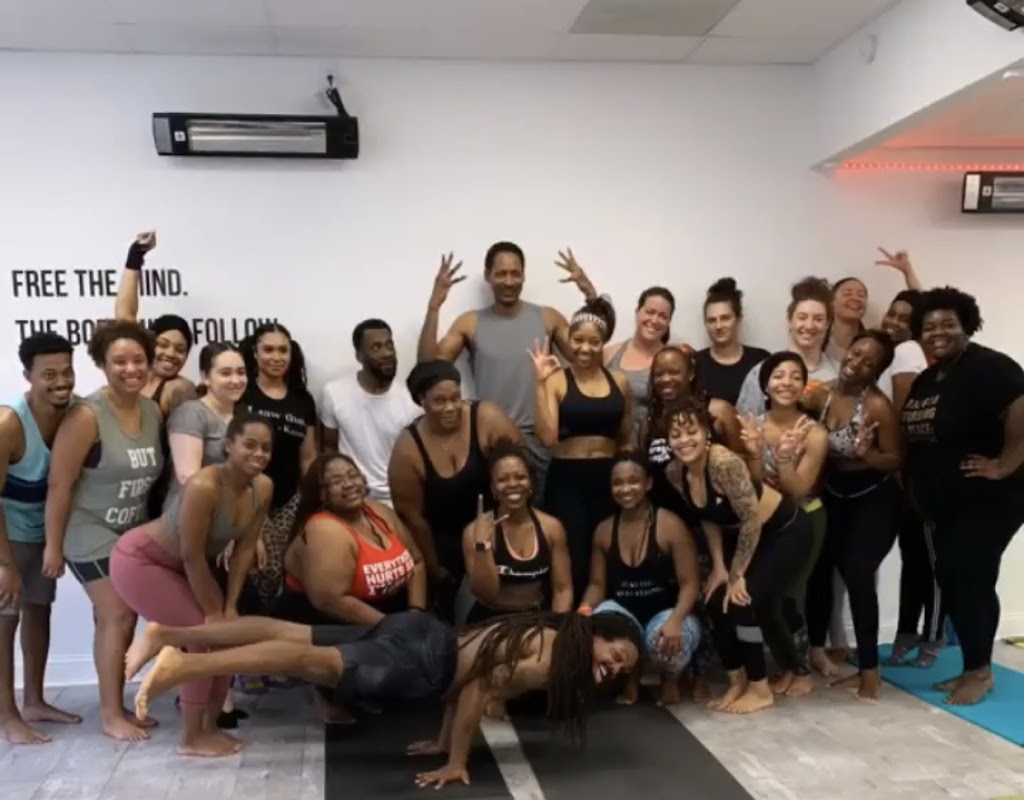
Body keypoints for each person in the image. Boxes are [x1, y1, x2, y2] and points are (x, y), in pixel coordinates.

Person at [125, 608, 642, 789]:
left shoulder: (549, 632)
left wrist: (443, 743)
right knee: (306, 660)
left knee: (294, 634)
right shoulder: (551, 660)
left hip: (422, 632)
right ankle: (185, 665)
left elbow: (467, 681)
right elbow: (475, 692)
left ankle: (168, 632)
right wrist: (457, 760)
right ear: (596, 634)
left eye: (622, 670)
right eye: (616, 655)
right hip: (422, 659)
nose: (614, 669)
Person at [109, 413, 273, 756]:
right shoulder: (204, 486)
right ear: (228, 446)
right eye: (249, 445)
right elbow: (192, 556)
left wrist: (230, 607)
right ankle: (191, 737)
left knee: (226, 637)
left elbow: (244, 551)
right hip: (141, 562)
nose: (259, 454)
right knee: (202, 636)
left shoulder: (263, 488)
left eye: (266, 448)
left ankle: (210, 727)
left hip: (183, 568)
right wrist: (213, 613)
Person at [901, 287, 1024, 705]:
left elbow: (1021, 407)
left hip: (990, 499)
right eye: (929, 326)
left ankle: (979, 672)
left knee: (971, 578)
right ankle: (973, 666)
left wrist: (1005, 464)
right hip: (948, 504)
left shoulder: (989, 367)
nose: (938, 332)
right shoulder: (928, 378)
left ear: (967, 325)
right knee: (954, 578)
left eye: (948, 324)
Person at [43, 320, 164, 741]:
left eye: (139, 360)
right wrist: (53, 547)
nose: (131, 369)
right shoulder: (86, 416)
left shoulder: (152, 410)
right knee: (117, 614)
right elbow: (59, 485)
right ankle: (111, 714)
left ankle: (117, 703)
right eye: (119, 362)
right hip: (87, 529)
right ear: (102, 365)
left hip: (131, 530)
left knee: (123, 616)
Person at [663, 396, 813, 715]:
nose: (684, 440)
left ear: (707, 433)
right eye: (675, 435)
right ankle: (737, 679)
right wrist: (720, 567)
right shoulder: (675, 472)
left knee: (742, 600)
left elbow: (750, 520)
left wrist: (737, 574)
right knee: (715, 602)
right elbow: (707, 517)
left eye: (691, 431)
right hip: (750, 535)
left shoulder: (723, 463)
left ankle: (760, 688)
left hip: (784, 530)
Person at [417, 244, 604, 494]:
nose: (508, 281)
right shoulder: (469, 323)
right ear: (488, 276)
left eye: (515, 273)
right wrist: (434, 307)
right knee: (497, 514)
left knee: (544, 512)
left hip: (541, 440)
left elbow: (591, 360)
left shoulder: (548, 318)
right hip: (492, 441)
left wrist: (591, 296)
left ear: (523, 276)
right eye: (501, 274)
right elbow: (427, 371)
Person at [806, 330, 901, 699]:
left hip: (874, 498)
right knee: (819, 571)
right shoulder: (821, 394)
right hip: (834, 494)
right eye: (856, 352)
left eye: (868, 361)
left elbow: (896, 458)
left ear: (876, 370)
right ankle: (816, 650)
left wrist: (867, 455)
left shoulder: (876, 406)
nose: (856, 362)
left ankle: (870, 672)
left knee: (859, 575)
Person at [388, 360, 520, 622]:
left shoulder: (486, 417)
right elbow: (413, 517)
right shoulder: (408, 448)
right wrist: (435, 569)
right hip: (446, 546)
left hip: (499, 531)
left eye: (455, 398)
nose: (450, 407)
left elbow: (520, 473)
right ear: (422, 401)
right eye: (439, 401)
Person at [0, 333, 81, 744]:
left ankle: (34, 701)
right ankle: (7, 716)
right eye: (49, 374)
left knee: (38, 611)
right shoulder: (8, 425)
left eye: (67, 371)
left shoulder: (75, 413)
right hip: (5, 534)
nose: (61, 382)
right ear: (27, 376)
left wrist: (53, 541)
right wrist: (5, 565)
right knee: (4, 621)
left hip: (39, 531)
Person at [580, 454, 701, 707]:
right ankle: (630, 675)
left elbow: (690, 583)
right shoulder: (604, 530)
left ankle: (670, 677)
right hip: (625, 618)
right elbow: (596, 585)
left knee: (670, 637)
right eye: (618, 483)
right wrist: (583, 613)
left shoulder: (670, 525)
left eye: (633, 481)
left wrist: (676, 620)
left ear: (648, 484)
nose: (625, 489)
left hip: (665, 614)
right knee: (596, 618)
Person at [531, 297, 631, 602]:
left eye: (593, 342)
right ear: (568, 340)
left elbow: (626, 438)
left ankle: (606, 617)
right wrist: (540, 383)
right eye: (578, 340)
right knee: (573, 556)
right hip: (568, 480)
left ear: (604, 343)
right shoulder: (556, 381)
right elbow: (547, 437)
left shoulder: (620, 381)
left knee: (609, 552)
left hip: (609, 478)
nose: (585, 348)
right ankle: (569, 621)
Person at [739, 352, 828, 695]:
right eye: (778, 375)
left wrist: (786, 457)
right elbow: (753, 485)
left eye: (795, 376)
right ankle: (787, 665)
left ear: (804, 385)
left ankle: (801, 671)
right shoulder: (754, 425)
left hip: (805, 518)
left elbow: (798, 489)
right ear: (765, 384)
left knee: (787, 597)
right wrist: (752, 451)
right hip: (767, 521)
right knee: (763, 596)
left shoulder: (813, 432)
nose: (786, 383)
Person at [278, 452, 427, 625]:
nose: (348, 484)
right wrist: (397, 629)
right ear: (321, 493)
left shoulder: (379, 511)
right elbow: (330, 601)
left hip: (391, 618)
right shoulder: (323, 530)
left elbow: (417, 562)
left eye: (353, 475)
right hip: (332, 624)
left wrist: (416, 612)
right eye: (336, 481)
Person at [239, 323, 318, 610]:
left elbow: (308, 457)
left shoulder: (302, 399)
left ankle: (275, 629)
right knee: (252, 569)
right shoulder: (242, 393)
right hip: (247, 497)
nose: (276, 357)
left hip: (289, 501)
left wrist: (311, 505)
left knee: (282, 572)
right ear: (255, 353)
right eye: (268, 349)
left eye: (283, 350)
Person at [462, 440, 573, 624]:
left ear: (530, 483)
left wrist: (557, 629)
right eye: (503, 480)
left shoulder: (552, 528)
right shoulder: (474, 532)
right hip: (491, 620)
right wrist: (482, 547)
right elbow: (485, 594)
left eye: (520, 477)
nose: (513, 484)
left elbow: (563, 589)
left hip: (537, 617)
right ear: (493, 488)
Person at [320, 319, 419, 507]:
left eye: (390, 345)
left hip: (398, 499)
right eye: (376, 348)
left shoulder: (410, 401)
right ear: (359, 356)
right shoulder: (334, 393)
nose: (387, 354)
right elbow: (329, 448)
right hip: (352, 497)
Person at [113, 231, 197, 417]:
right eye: (163, 344)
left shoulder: (179, 390)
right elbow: (125, 316)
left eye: (180, 349)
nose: (171, 354)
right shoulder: (134, 380)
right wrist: (135, 256)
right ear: (148, 345)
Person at [602, 287, 679, 435]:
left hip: (651, 444)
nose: (655, 320)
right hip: (609, 442)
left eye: (663, 316)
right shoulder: (609, 354)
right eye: (650, 312)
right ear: (638, 312)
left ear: (669, 322)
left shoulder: (672, 359)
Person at [695, 278, 769, 406]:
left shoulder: (761, 360)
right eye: (712, 320)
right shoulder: (695, 363)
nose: (718, 326)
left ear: (738, 320)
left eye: (725, 318)